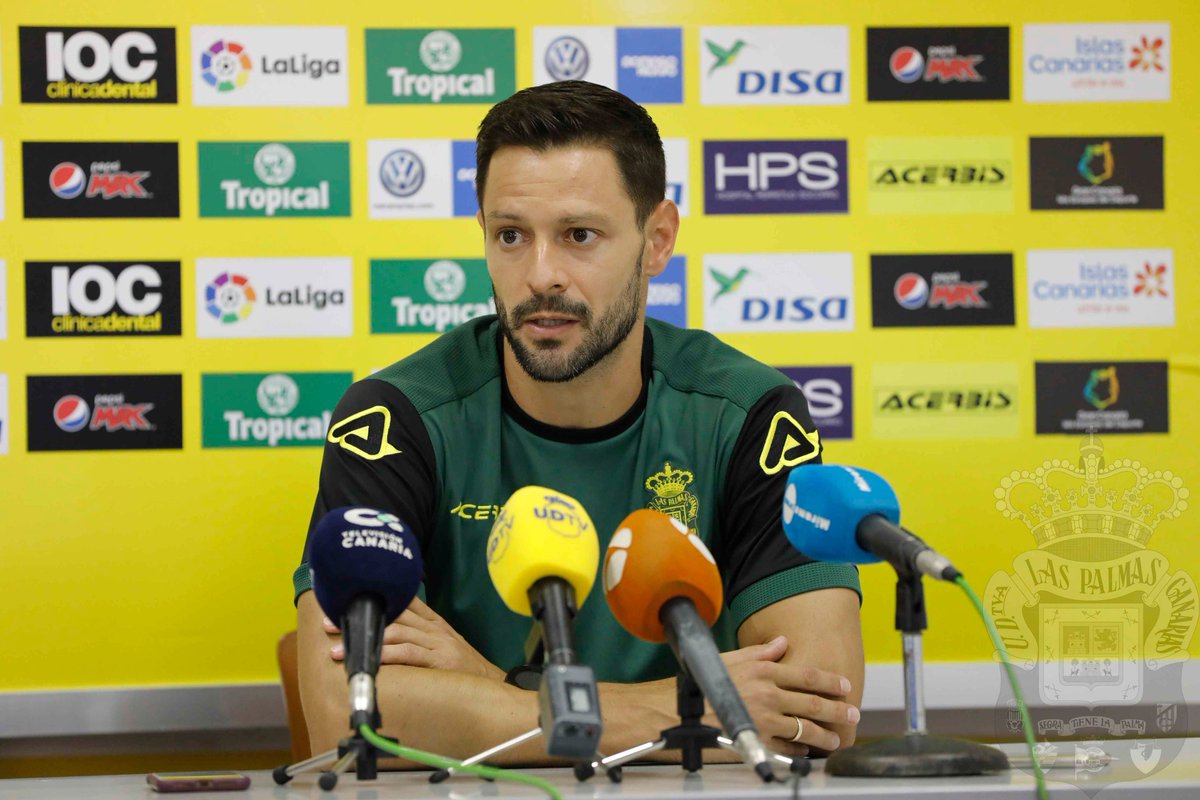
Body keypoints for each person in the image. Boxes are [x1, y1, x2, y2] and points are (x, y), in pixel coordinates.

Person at [295, 80, 864, 765]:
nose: (541, 275)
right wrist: (678, 712)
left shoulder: (749, 417)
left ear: (656, 241)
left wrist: (486, 686)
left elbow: (814, 714)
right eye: (511, 235)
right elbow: (348, 713)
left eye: (579, 235)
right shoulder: (394, 418)